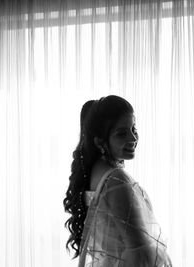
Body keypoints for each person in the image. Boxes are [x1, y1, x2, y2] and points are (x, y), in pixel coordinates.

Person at [63, 95, 172, 267]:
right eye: (121, 133)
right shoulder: (116, 179)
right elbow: (141, 252)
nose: (133, 138)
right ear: (100, 141)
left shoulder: (93, 172)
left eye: (133, 129)